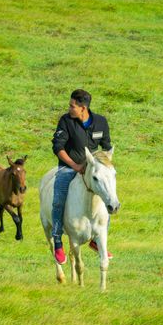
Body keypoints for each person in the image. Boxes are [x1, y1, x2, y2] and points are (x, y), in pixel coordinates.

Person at [51, 89, 114, 264]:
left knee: (109, 196)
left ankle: (97, 241)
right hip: (68, 168)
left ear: (83, 108)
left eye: (72, 106)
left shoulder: (101, 122)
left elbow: (107, 148)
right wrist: (75, 166)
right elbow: (58, 148)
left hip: (92, 170)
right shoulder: (66, 121)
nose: (69, 108)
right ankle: (57, 240)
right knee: (58, 200)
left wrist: (103, 167)